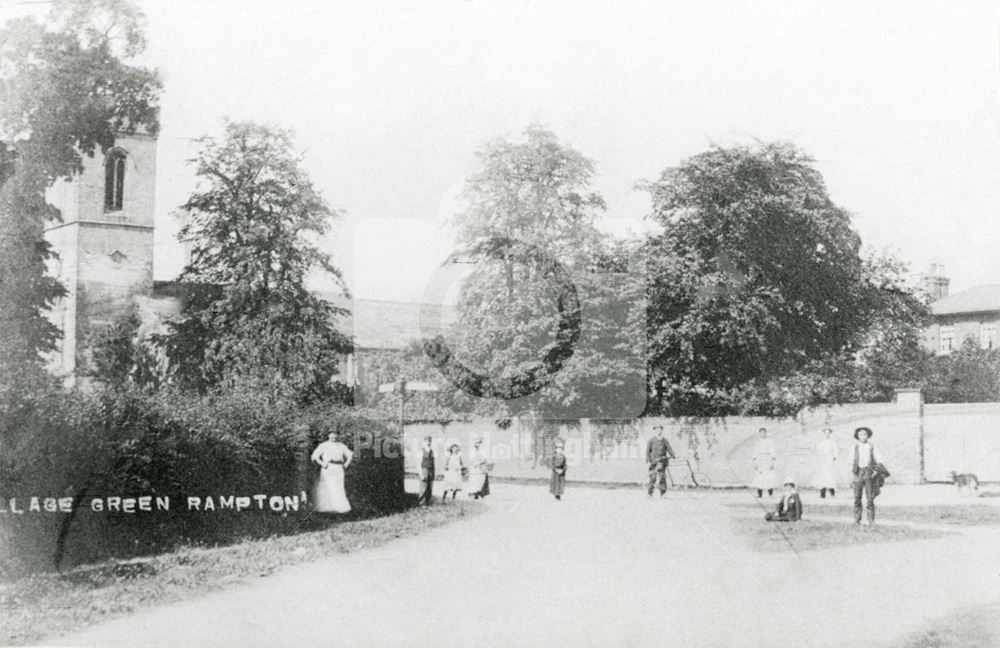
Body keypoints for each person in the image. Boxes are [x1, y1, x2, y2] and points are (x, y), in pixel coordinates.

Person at [310, 430, 353, 514]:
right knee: (328, 485)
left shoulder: (341, 446)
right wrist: (322, 463)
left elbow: (350, 455)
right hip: (328, 468)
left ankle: (341, 509)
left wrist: (346, 464)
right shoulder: (324, 445)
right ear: (328, 435)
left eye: (335, 434)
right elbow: (314, 456)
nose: (333, 436)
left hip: (339, 468)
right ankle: (326, 508)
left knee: (339, 487)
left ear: (338, 435)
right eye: (331, 435)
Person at [852, 426, 882, 525]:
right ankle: (857, 519)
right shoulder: (855, 447)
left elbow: (879, 460)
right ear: (857, 436)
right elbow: (850, 462)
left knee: (870, 498)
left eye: (865, 434)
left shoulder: (872, 446)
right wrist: (851, 474)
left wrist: (875, 471)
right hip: (858, 473)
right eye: (861, 434)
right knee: (857, 497)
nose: (863, 436)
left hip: (869, 473)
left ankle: (871, 520)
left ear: (868, 436)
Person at [646, 425, 676, 497]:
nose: (658, 431)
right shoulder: (651, 440)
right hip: (653, 462)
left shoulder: (665, 440)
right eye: (657, 429)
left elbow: (669, 448)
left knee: (662, 477)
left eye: (660, 429)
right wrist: (647, 460)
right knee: (653, 477)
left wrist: (673, 455)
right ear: (655, 431)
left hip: (662, 461)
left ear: (662, 430)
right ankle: (650, 493)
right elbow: (647, 451)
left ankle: (663, 493)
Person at [751, 427, 778, 498]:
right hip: (760, 459)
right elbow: (755, 452)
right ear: (759, 433)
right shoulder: (757, 442)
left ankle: (770, 494)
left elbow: (772, 451)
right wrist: (756, 463)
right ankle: (759, 494)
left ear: (766, 433)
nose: (763, 434)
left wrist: (772, 462)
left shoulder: (769, 441)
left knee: (769, 476)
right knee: (759, 476)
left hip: (767, 459)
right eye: (761, 433)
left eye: (764, 432)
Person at [814, 428, 839, 498]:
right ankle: (822, 494)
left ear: (830, 434)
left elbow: (836, 452)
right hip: (822, 461)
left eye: (828, 433)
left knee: (830, 476)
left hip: (829, 461)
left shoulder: (832, 442)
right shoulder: (820, 443)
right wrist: (821, 457)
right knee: (822, 477)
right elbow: (818, 451)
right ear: (823, 433)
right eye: (825, 433)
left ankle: (832, 494)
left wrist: (833, 457)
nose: (827, 434)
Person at [418, 435, 435, 506]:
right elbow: (418, 463)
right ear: (424, 442)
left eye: (430, 441)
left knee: (429, 487)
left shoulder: (431, 451)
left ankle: (428, 502)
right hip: (424, 469)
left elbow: (433, 462)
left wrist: (434, 473)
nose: (428, 442)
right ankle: (422, 503)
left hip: (431, 469)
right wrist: (421, 474)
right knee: (423, 487)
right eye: (427, 441)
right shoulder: (421, 451)